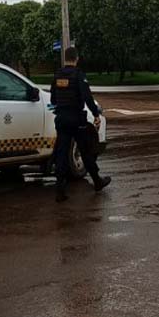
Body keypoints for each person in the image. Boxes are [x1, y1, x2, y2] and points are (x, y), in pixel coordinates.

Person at [50, 46, 111, 202]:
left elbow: (53, 100)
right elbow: (87, 97)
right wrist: (96, 114)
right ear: (76, 59)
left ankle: (60, 190)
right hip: (76, 119)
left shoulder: (57, 76)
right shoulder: (79, 75)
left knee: (62, 153)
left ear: (65, 59)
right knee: (85, 150)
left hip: (62, 118)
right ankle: (97, 181)